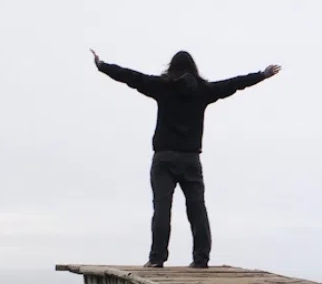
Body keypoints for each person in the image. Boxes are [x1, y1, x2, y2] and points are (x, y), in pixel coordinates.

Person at [91, 49, 281, 268]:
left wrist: (103, 66)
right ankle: (201, 259)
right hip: (191, 159)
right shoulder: (204, 91)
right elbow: (234, 84)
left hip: (163, 159)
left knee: (162, 208)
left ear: (171, 67)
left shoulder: (162, 87)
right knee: (197, 208)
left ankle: (156, 259)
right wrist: (261, 75)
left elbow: (131, 77)